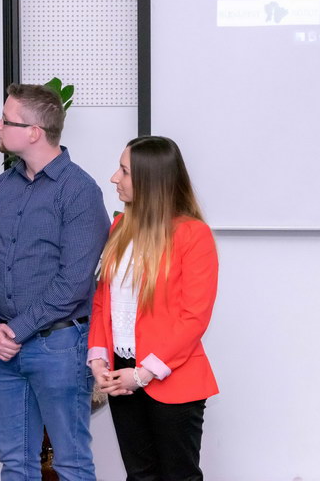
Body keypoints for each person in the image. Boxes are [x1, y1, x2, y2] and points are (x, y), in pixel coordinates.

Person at [0, 83, 109, 481]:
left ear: (34, 132)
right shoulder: (0, 188)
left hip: (58, 346)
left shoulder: (80, 191)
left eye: (6, 120)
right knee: (15, 463)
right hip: (2, 348)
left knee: (71, 463)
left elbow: (74, 282)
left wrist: (14, 330)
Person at [88, 136, 219, 480]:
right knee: (139, 475)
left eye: (124, 171)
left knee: (179, 476)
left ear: (150, 180)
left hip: (171, 376)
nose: (114, 178)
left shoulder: (194, 235)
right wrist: (98, 356)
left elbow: (194, 318)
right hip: (122, 372)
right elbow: (103, 299)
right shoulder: (120, 227)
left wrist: (143, 374)